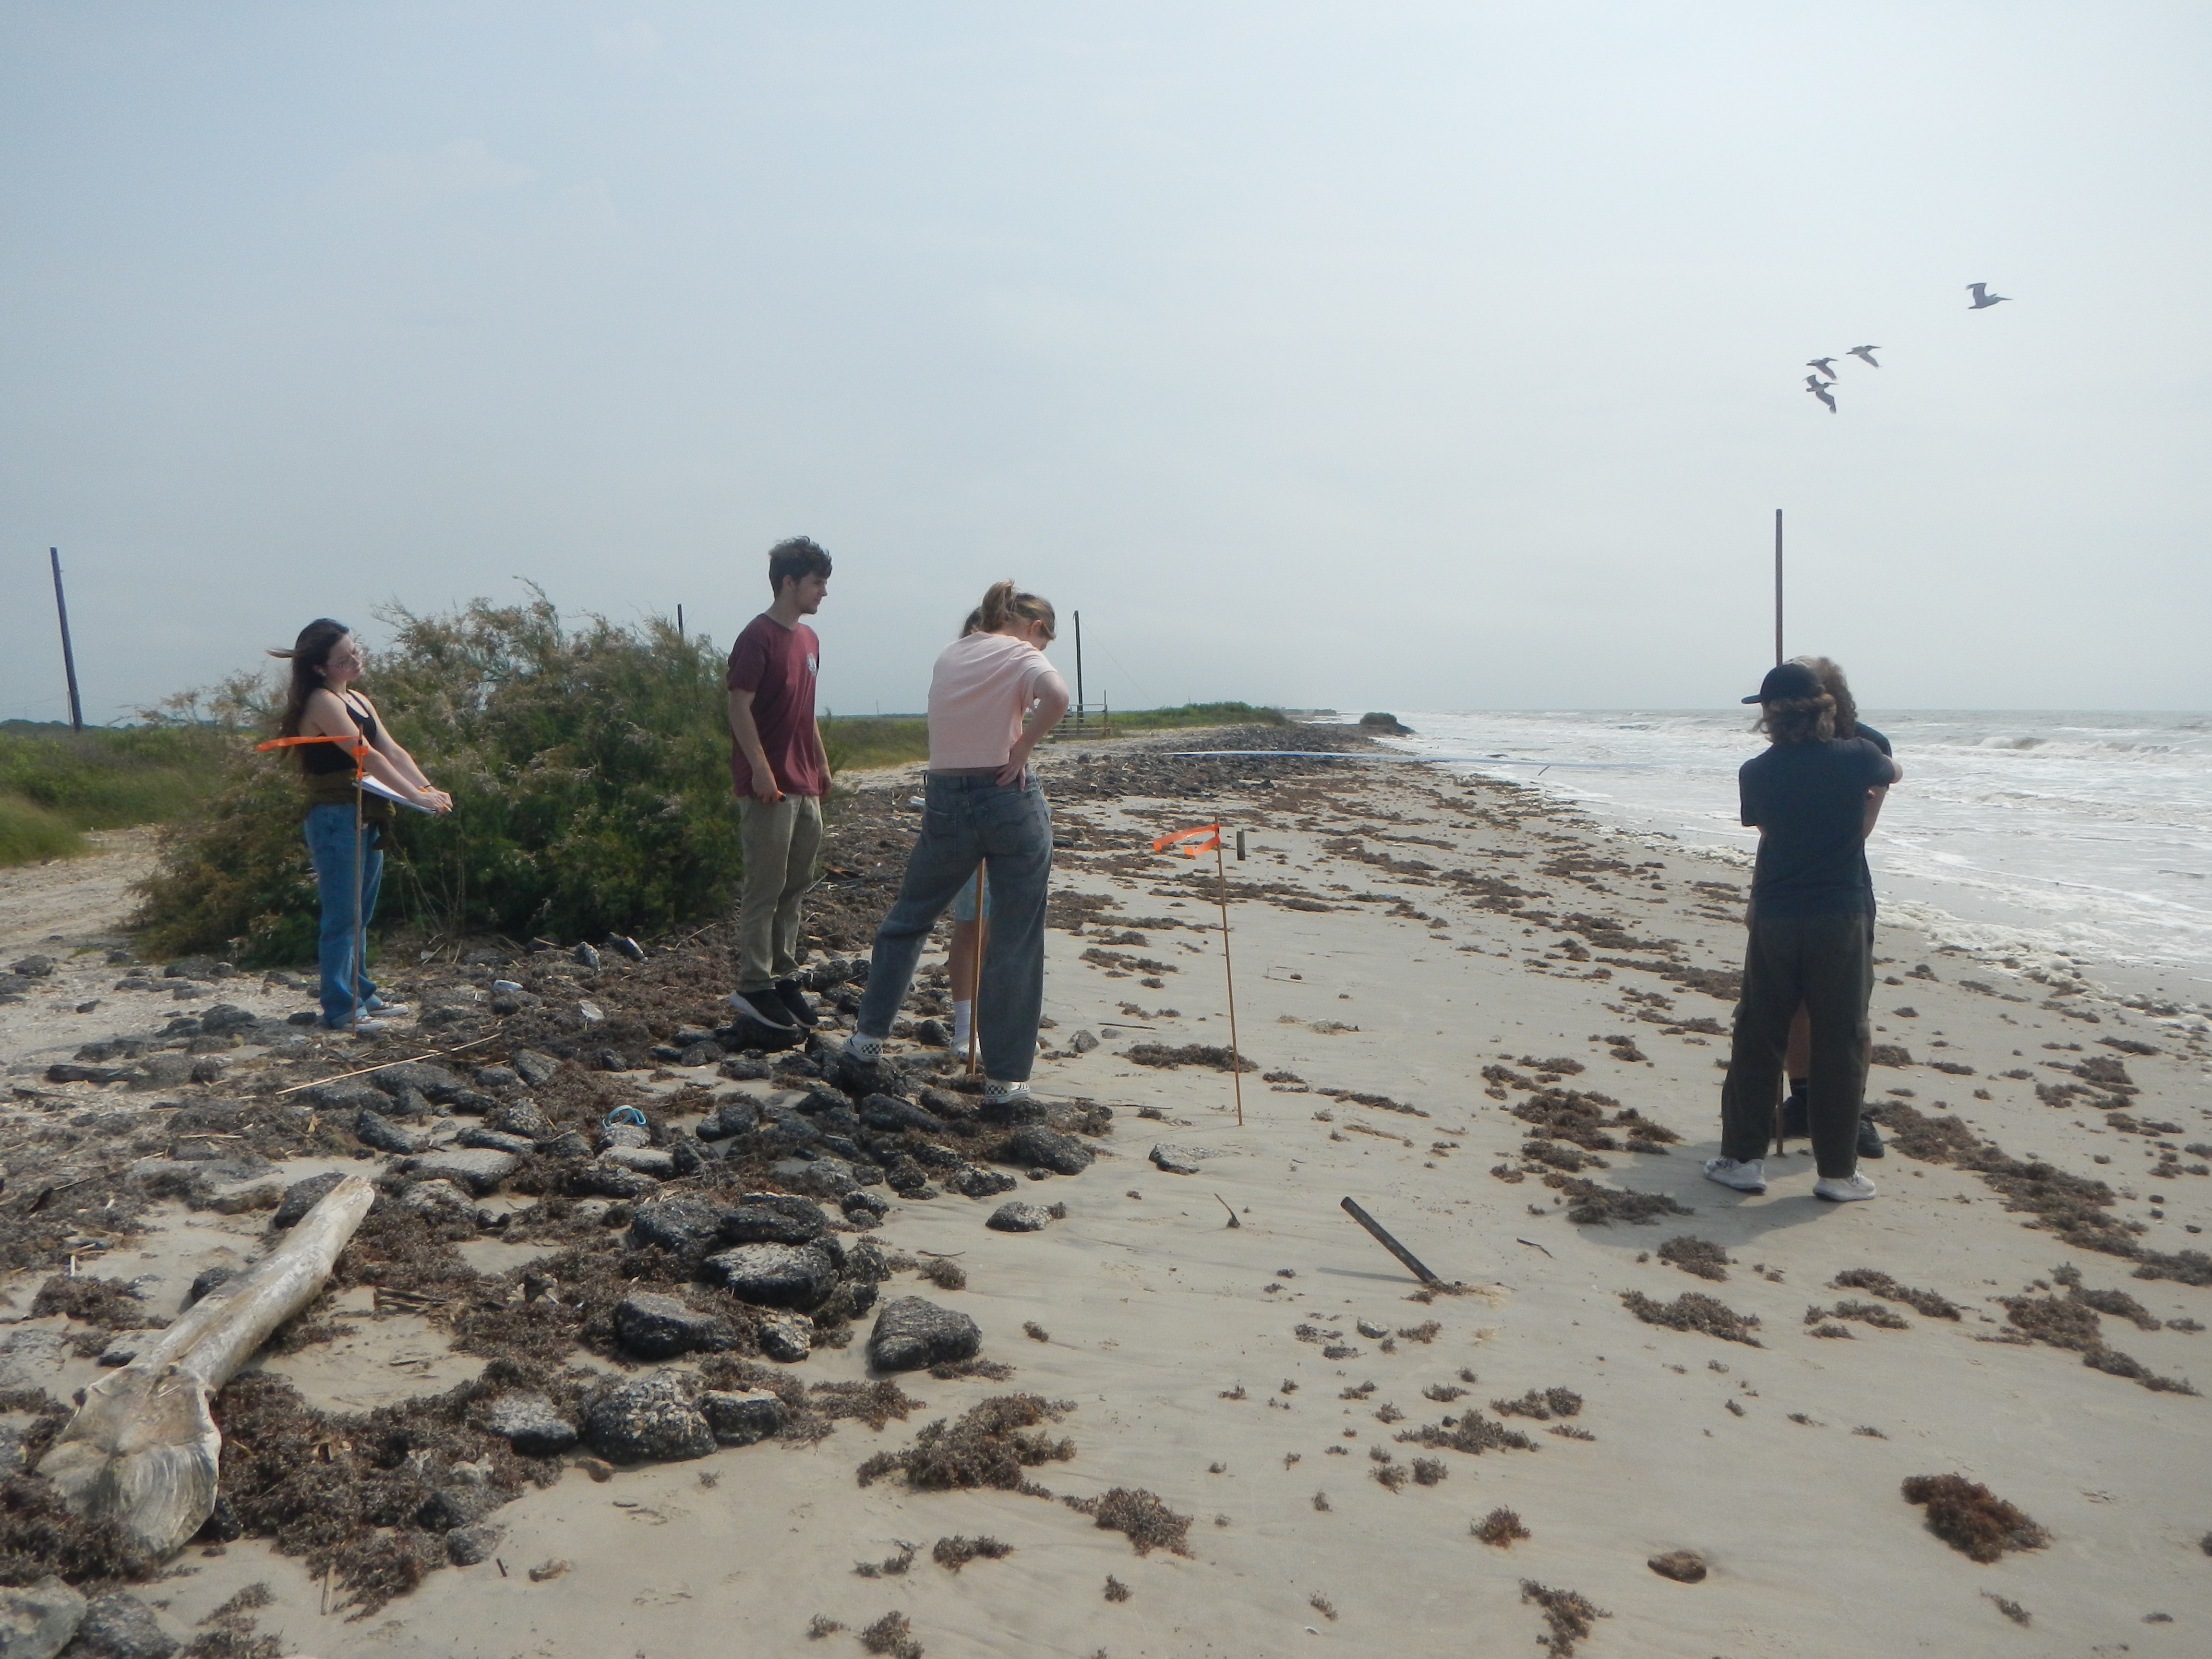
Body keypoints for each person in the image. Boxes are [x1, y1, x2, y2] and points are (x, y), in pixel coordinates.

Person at [846, 581, 1070, 1105]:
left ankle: (866, 1042)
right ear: (1035, 628)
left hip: (946, 798)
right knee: (1015, 937)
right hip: (1007, 797)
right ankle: (1006, 1082)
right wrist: (1023, 748)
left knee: (909, 919)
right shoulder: (1021, 653)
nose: (1041, 648)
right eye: (1044, 641)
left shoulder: (951, 653)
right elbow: (1058, 697)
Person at [1707, 660, 1902, 1202]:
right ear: (1826, 709)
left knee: (1758, 1032)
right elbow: (1892, 771)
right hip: (1840, 912)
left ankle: (1742, 1160)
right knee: (1841, 1037)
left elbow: (1767, 827)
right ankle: (1837, 1172)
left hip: (1777, 912)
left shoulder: (1756, 771)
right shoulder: (1860, 756)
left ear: (1770, 718)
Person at [270, 620, 451, 1034]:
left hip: (366, 813)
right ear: (319, 667)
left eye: (355, 651)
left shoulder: (359, 700)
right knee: (343, 915)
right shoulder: (321, 702)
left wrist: (428, 789)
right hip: (335, 817)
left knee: (361, 913)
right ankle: (341, 1007)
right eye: (343, 659)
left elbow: (393, 750)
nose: (355, 661)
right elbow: (366, 754)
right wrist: (415, 796)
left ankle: (363, 993)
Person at [1778, 657, 1894, 1157]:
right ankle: (1803, 1099)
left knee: (1848, 1011)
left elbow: (1862, 827)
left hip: (1844, 889)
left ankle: (1851, 1110)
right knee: (1794, 1005)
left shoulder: (1867, 747)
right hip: (1782, 887)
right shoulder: (1784, 745)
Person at [725, 537, 834, 1032]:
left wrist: (822, 764)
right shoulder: (757, 636)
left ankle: (784, 976)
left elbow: (805, 712)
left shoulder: (809, 640)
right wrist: (761, 770)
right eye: (817, 583)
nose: (823, 593)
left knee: (795, 886)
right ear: (789, 582)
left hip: (805, 782)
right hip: (770, 785)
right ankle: (754, 983)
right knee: (764, 888)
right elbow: (739, 707)